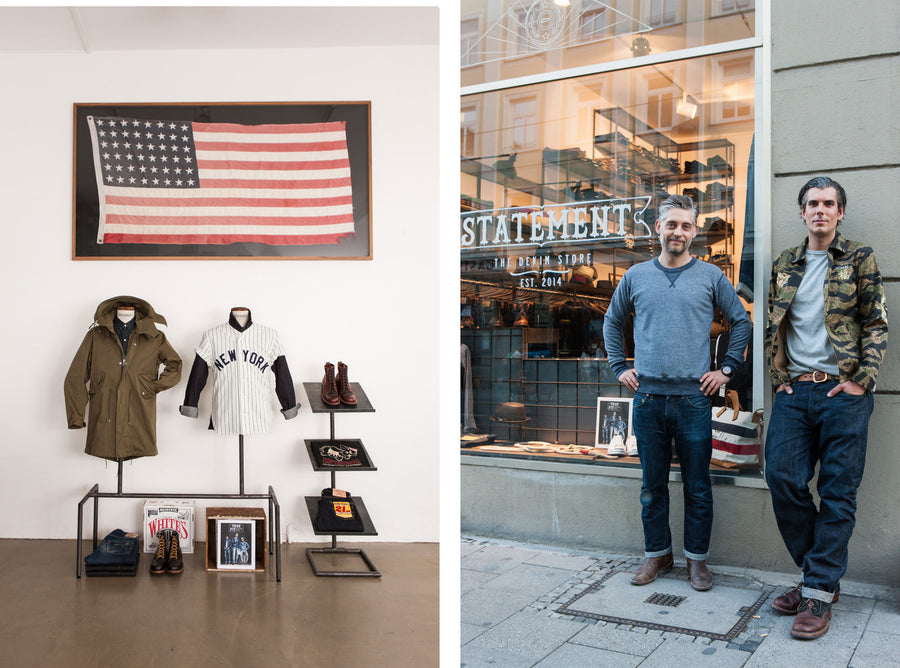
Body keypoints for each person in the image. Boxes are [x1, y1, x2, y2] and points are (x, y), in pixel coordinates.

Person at [603, 194, 750, 591]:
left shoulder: (711, 277)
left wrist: (727, 370)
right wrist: (620, 366)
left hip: (693, 400)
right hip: (648, 398)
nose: (678, 232)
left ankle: (696, 561)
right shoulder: (635, 276)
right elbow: (612, 321)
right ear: (658, 228)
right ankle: (657, 554)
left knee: (698, 487)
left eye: (685, 226)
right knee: (652, 487)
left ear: (695, 232)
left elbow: (740, 322)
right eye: (671, 224)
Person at [765, 176, 887, 639]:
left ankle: (816, 589)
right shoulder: (785, 262)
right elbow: (775, 323)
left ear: (840, 213)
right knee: (781, 477)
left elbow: (876, 321)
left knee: (839, 492)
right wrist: (779, 380)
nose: (820, 210)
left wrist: (862, 380)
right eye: (812, 203)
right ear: (802, 212)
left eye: (828, 204)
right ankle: (821, 574)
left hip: (844, 394)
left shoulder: (859, 257)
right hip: (796, 392)